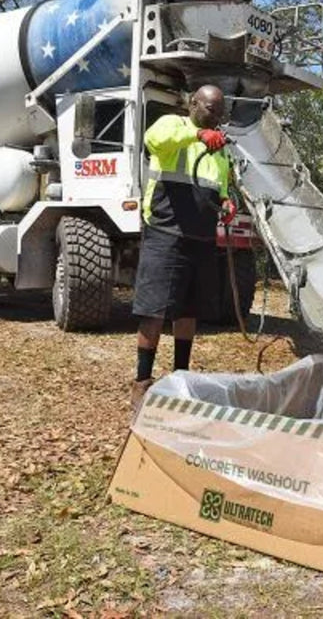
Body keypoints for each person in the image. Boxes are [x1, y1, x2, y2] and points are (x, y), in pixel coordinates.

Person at [130, 84, 236, 415]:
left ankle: (181, 377)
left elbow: (218, 183)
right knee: (155, 308)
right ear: (192, 103)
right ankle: (142, 381)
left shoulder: (219, 148)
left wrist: (225, 200)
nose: (214, 117)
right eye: (209, 109)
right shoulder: (172, 125)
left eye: (218, 113)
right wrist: (198, 136)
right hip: (166, 231)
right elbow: (156, 141)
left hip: (201, 237)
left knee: (188, 310)